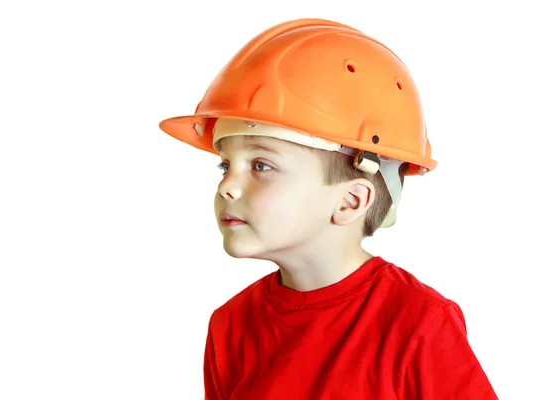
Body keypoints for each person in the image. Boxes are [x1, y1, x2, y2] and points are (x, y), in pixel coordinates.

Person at [159, 18, 498, 400]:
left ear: (350, 201)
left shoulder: (418, 324)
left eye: (261, 166)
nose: (227, 186)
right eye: (225, 165)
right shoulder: (231, 326)